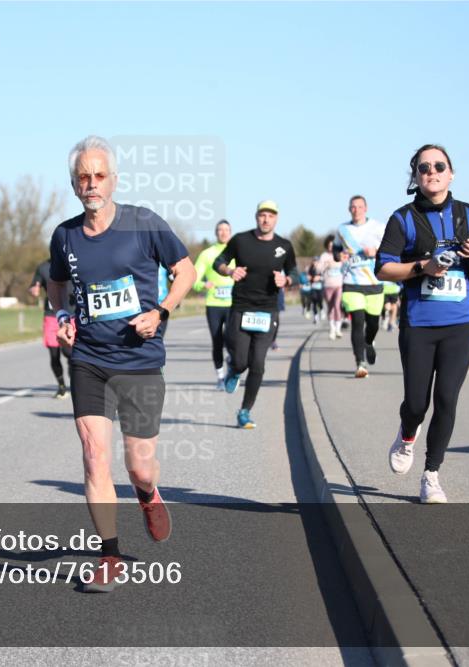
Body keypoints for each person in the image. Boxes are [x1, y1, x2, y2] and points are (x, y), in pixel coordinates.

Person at [48, 136, 195, 592]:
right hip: (89, 360)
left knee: (139, 468)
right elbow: (56, 285)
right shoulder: (65, 236)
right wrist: (63, 317)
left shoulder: (143, 223)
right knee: (94, 457)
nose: (91, 184)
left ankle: (147, 494)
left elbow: (186, 270)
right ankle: (109, 555)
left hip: (140, 360)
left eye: (99, 175)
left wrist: (162, 311)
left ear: (114, 180)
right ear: (74, 184)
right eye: (83, 177)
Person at [376, 144, 469, 504]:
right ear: (415, 176)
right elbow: (383, 268)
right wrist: (422, 267)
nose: (432, 172)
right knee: (417, 403)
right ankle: (407, 434)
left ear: (451, 173)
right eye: (424, 167)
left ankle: (431, 475)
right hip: (418, 324)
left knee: (446, 398)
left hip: (459, 324)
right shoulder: (403, 218)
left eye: (439, 166)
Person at [214, 200, 299, 429]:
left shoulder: (284, 246)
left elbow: (294, 272)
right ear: (256, 217)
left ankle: (245, 411)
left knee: (258, 364)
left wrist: (287, 280)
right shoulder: (241, 240)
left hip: (268, 311)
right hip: (241, 307)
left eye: (270, 215)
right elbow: (218, 262)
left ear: (276, 219)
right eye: (262, 215)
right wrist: (230, 270)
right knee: (241, 361)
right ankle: (234, 369)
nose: (266, 219)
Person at [334, 195, 386, 378]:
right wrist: (338, 256)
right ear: (349, 209)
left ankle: (369, 342)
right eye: (353, 207)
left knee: (373, 324)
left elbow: (391, 249)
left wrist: (376, 252)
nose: (356, 210)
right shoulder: (342, 229)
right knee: (357, 322)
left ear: (366, 208)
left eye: (359, 207)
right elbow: (336, 250)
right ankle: (360, 363)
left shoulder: (378, 227)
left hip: (374, 282)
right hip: (352, 282)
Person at [192, 219, 235, 389]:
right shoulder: (207, 254)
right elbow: (194, 279)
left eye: (226, 230)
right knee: (217, 341)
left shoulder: (237, 251)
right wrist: (203, 284)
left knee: (233, 339)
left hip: (233, 304)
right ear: (216, 233)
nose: (223, 233)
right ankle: (220, 376)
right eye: (220, 230)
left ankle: (232, 365)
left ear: (230, 232)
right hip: (214, 304)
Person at [29, 258, 74, 398]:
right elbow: (34, 285)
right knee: (54, 354)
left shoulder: (73, 261)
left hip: (72, 314)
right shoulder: (43, 267)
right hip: (51, 315)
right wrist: (34, 290)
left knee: (70, 352)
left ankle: (74, 376)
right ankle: (61, 387)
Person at [317, 235, 345, 340]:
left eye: (333, 246)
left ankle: (338, 329)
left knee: (337, 306)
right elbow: (318, 269)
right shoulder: (324, 256)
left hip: (339, 285)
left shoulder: (341, 254)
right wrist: (325, 265)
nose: (331, 248)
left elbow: (346, 266)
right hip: (328, 285)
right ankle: (332, 329)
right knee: (330, 307)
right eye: (329, 246)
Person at [307, 260, 324, 324]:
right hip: (313, 287)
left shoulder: (321, 269)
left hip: (320, 287)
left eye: (316, 262)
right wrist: (310, 278)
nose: (315, 263)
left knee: (320, 301)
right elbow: (308, 277)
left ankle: (322, 310)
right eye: (314, 262)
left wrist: (319, 278)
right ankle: (316, 317)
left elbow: (325, 277)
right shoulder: (310, 269)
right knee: (314, 301)